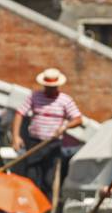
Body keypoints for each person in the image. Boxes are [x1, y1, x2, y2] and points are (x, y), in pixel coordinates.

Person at [11, 68, 82, 198]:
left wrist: (64, 127)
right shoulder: (34, 96)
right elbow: (20, 113)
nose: (50, 89)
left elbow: (78, 119)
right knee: (31, 178)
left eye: (52, 87)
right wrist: (16, 136)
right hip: (34, 143)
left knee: (48, 181)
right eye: (48, 86)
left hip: (52, 145)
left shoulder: (65, 100)